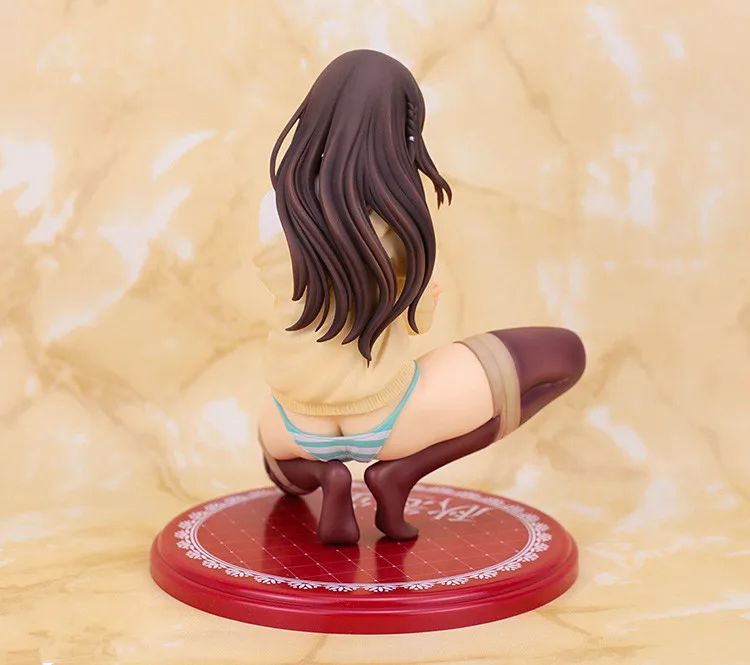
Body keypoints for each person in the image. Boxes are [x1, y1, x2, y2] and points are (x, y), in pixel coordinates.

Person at [253, 49, 585, 545]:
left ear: (317, 113)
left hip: (291, 420)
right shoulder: (401, 212)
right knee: (563, 355)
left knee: (276, 462)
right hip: (386, 417)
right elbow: (416, 319)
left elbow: (285, 290)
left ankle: (324, 475)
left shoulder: (275, 205)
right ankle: (400, 473)